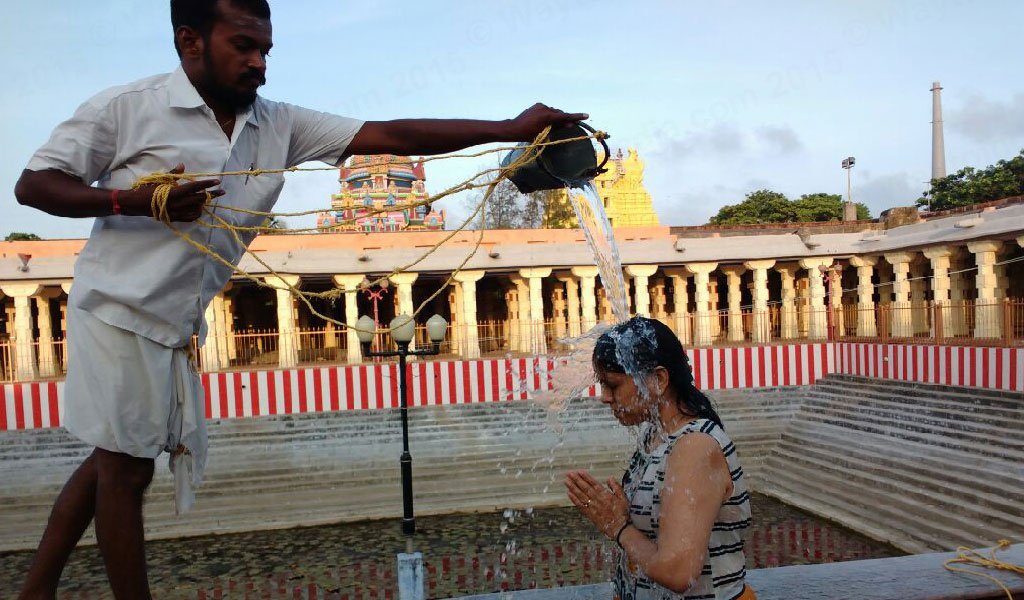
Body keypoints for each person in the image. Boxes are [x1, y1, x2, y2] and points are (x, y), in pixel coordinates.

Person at [13, 1, 587, 598]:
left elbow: (388, 135)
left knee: (112, 458)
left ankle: (37, 589)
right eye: (242, 46)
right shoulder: (127, 109)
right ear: (190, 42)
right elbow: (34, 184)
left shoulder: (276, 124)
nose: (258, 63)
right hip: (115, 308)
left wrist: (507, 129)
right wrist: (134, 202)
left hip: (176, 322)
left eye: (265, 50)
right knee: (127, 470)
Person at [564, 317, 756, 600]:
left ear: (659, 379)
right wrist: (626, 515)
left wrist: (618, 526)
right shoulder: (656, 436)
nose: (605, 397)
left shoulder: (694, 447)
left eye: (613, 385)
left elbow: (679, 572)